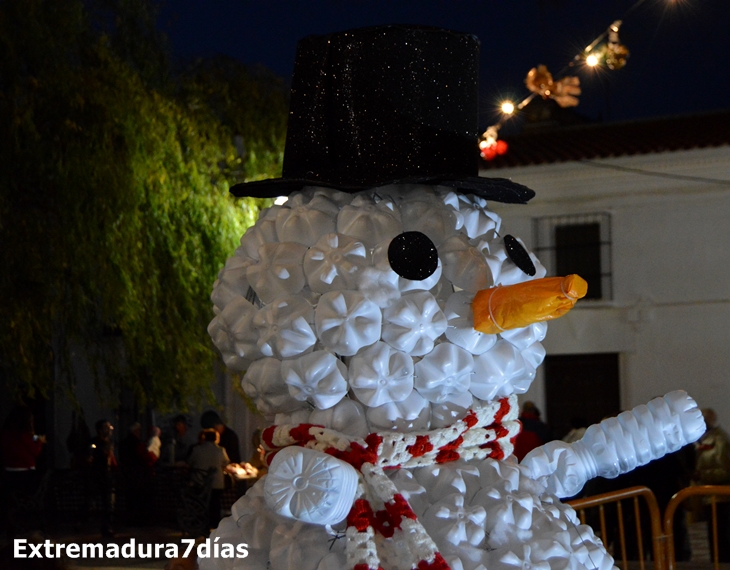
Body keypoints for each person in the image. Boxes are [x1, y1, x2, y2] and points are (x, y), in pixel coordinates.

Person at [0, 406, 46, 536]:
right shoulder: (24, 435)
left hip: (8, 473)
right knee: (29, 499)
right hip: (25, 474)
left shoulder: (5, 434)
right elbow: (35, 451)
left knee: (11, 501)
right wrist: (40, 442)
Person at [694, 407, 730, 562]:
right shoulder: (703, 440)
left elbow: (726, 471)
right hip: (709, 497)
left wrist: (701, 475)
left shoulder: (720, 441)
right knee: (713, 537)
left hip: (721, 498)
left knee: (722, 538)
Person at [187, 428, 230, 529]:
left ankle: (201, 522)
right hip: (217, 482)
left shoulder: (197, 449)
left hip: (199, 482)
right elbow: (226, 462)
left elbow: (190, 462)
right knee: (215, 503)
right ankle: (214, 523)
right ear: (216, 438)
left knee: (200, 503)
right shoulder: (220, 450)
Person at [90, 419, 116, 537]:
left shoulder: (110, 442)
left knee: (109, 503)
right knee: (96, 501)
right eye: (106, 427)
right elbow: (90, 458)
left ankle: (108, 527)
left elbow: (111, 459)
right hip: (97, 475)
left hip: (108, 475)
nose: (109, 430)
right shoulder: (95, 443)